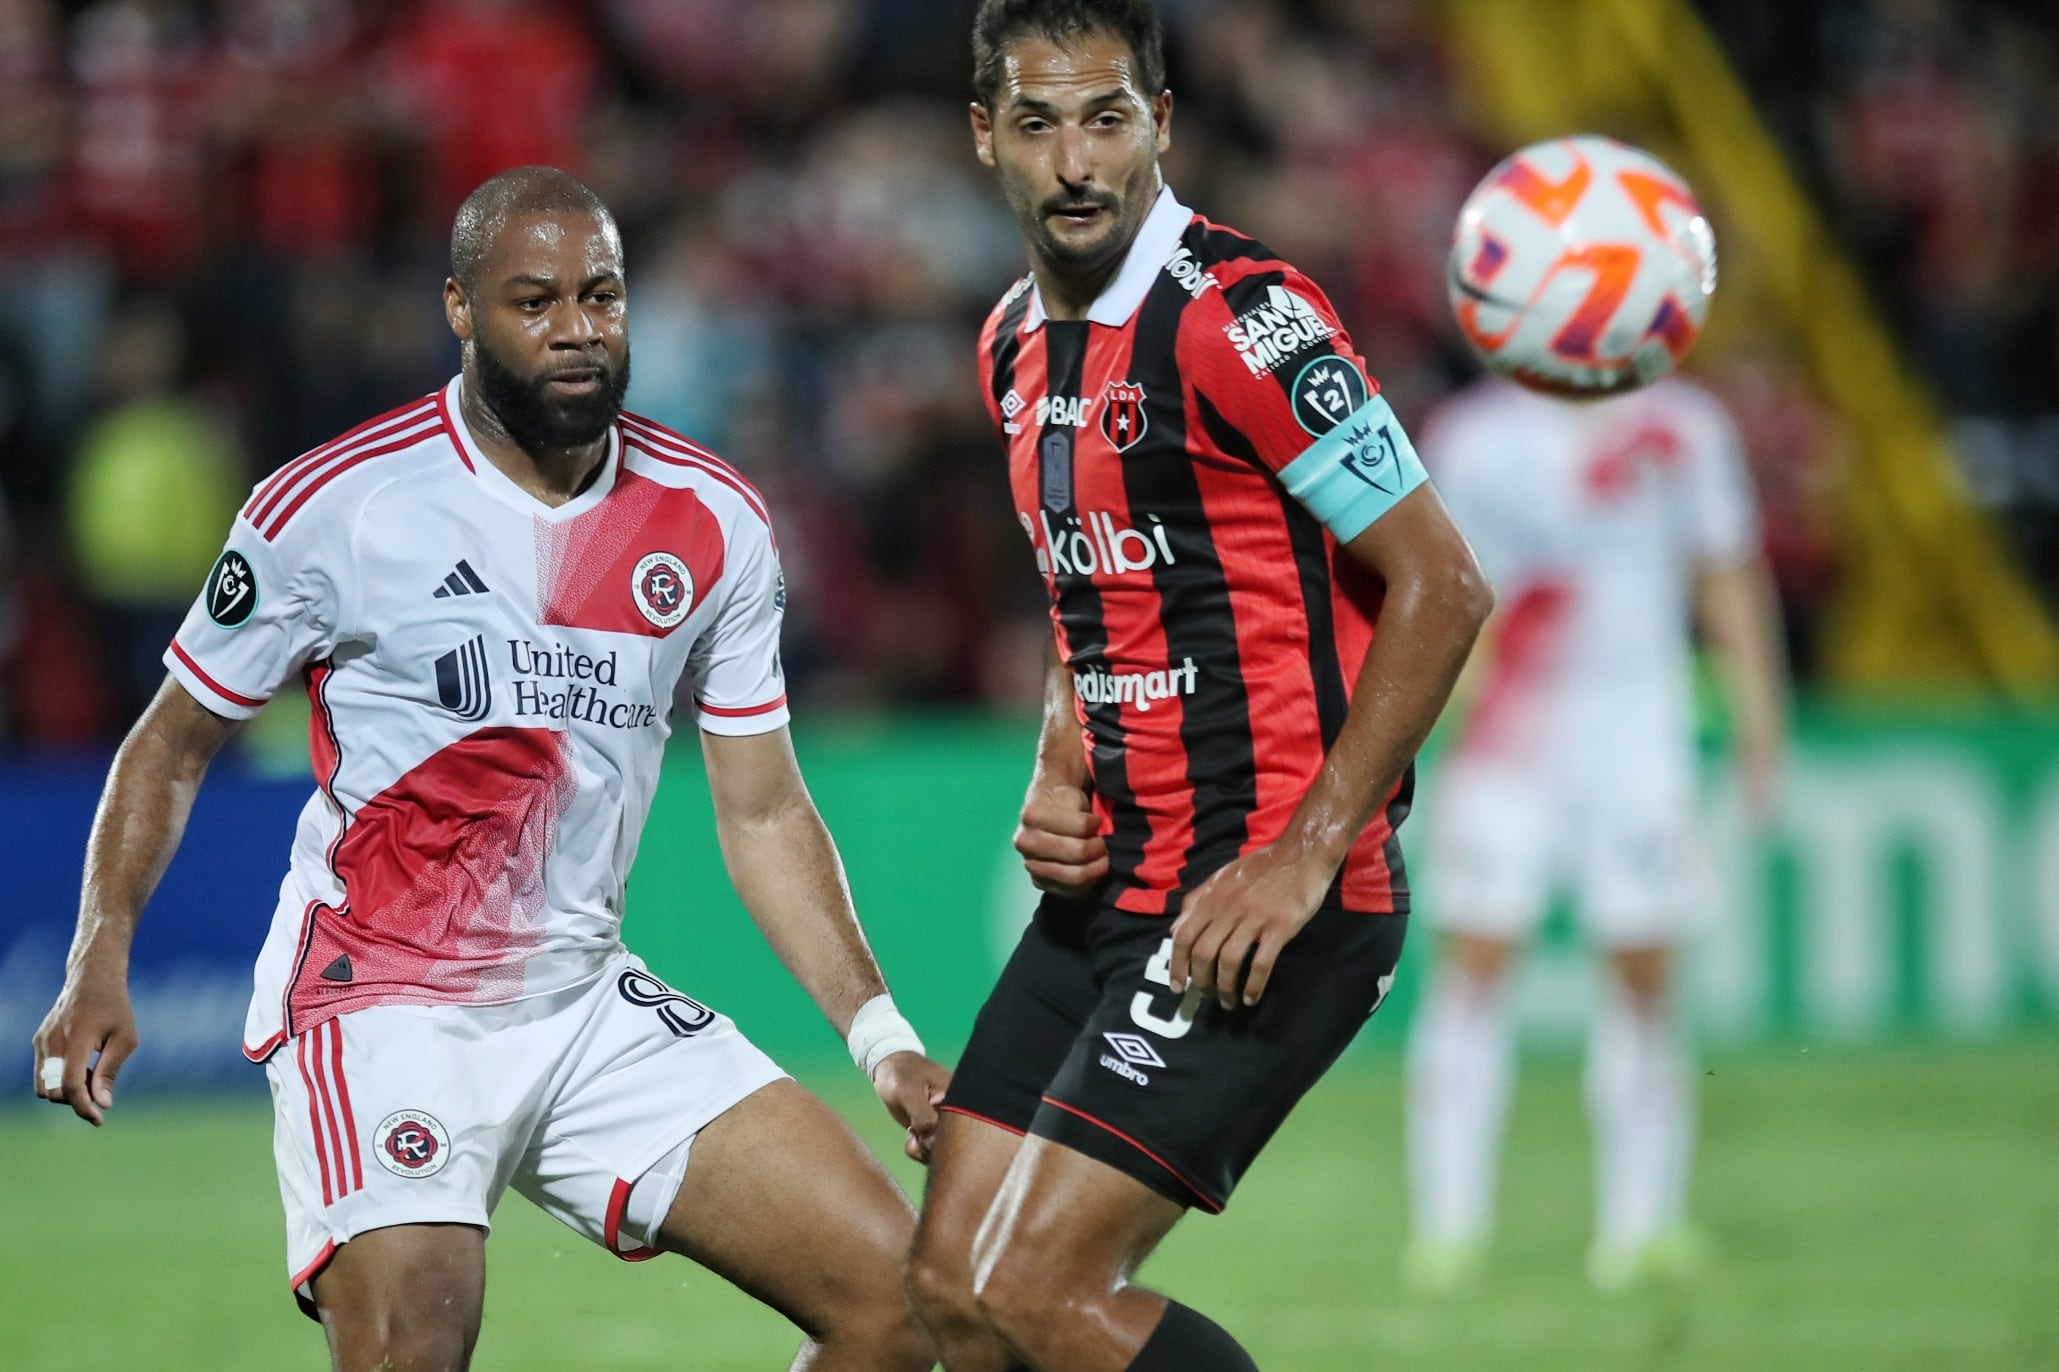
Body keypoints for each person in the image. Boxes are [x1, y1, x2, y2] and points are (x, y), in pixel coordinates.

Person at [31, 166, 946, 1372]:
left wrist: (881, 1038)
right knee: (418, 1343)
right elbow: (171, 740)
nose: (576, 329)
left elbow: (766, 811)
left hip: (579, 998)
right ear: (460, 309)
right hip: (379, 1000)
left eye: (602, 296)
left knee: (913, 1305)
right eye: (536, 301)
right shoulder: (340, 504)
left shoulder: (710, 517)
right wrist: (99, 954)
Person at [902, 4, 1493, 1370]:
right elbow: (1087, 578)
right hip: (1113, 884)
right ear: (983, 136)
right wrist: (1061, 746)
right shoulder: (1007, 343)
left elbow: (1441, 586)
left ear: (1159, 125)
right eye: (1039, 125)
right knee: (946, 1288)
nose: (1075, 164)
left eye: (1106, 121)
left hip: (1259, 901)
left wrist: (1303, 853)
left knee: (1038, 1292)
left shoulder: (1240, 318)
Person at [1402, 374, 1788, 1292]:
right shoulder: (1474, 437)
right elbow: (1448, 598)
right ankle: (1447, 1230)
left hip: (1636, 742)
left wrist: (1760, 724)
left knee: (1645, 977)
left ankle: (1641, 1228)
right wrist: (1421, 738)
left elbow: (1727, 575)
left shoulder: (1684, 425)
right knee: (1474, 969)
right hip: (1507, 738)